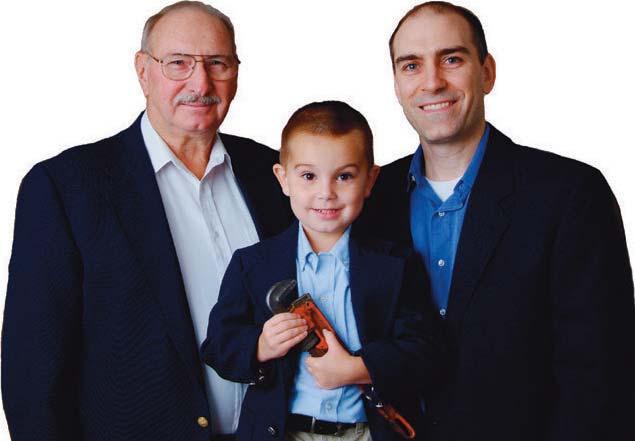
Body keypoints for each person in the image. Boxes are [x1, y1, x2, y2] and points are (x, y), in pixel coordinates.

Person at [1, 2, 292, 440]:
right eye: (178, 63)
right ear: (142, 70)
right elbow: (32, 368)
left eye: (217, 63)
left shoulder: (277, 174)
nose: (201, 83)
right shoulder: (66, 187)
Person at [357, 2, 635, 440]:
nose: (432, 81)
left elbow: (600, 374)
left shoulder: (571, 194)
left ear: (486, 73)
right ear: (396, 83)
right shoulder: (367, 197)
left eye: (452, 59)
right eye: (411, 65)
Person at [201, 101, 443, 441]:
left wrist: (359, 369)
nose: (326, 193)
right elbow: (217, 346)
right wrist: (260, 345)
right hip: (283, 432)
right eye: (308, 176)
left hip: (367, 433)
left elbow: (424, 350)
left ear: (370, 180)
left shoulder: (397, 264)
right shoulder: (252, 264)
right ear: (283, 179)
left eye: (344, 176)